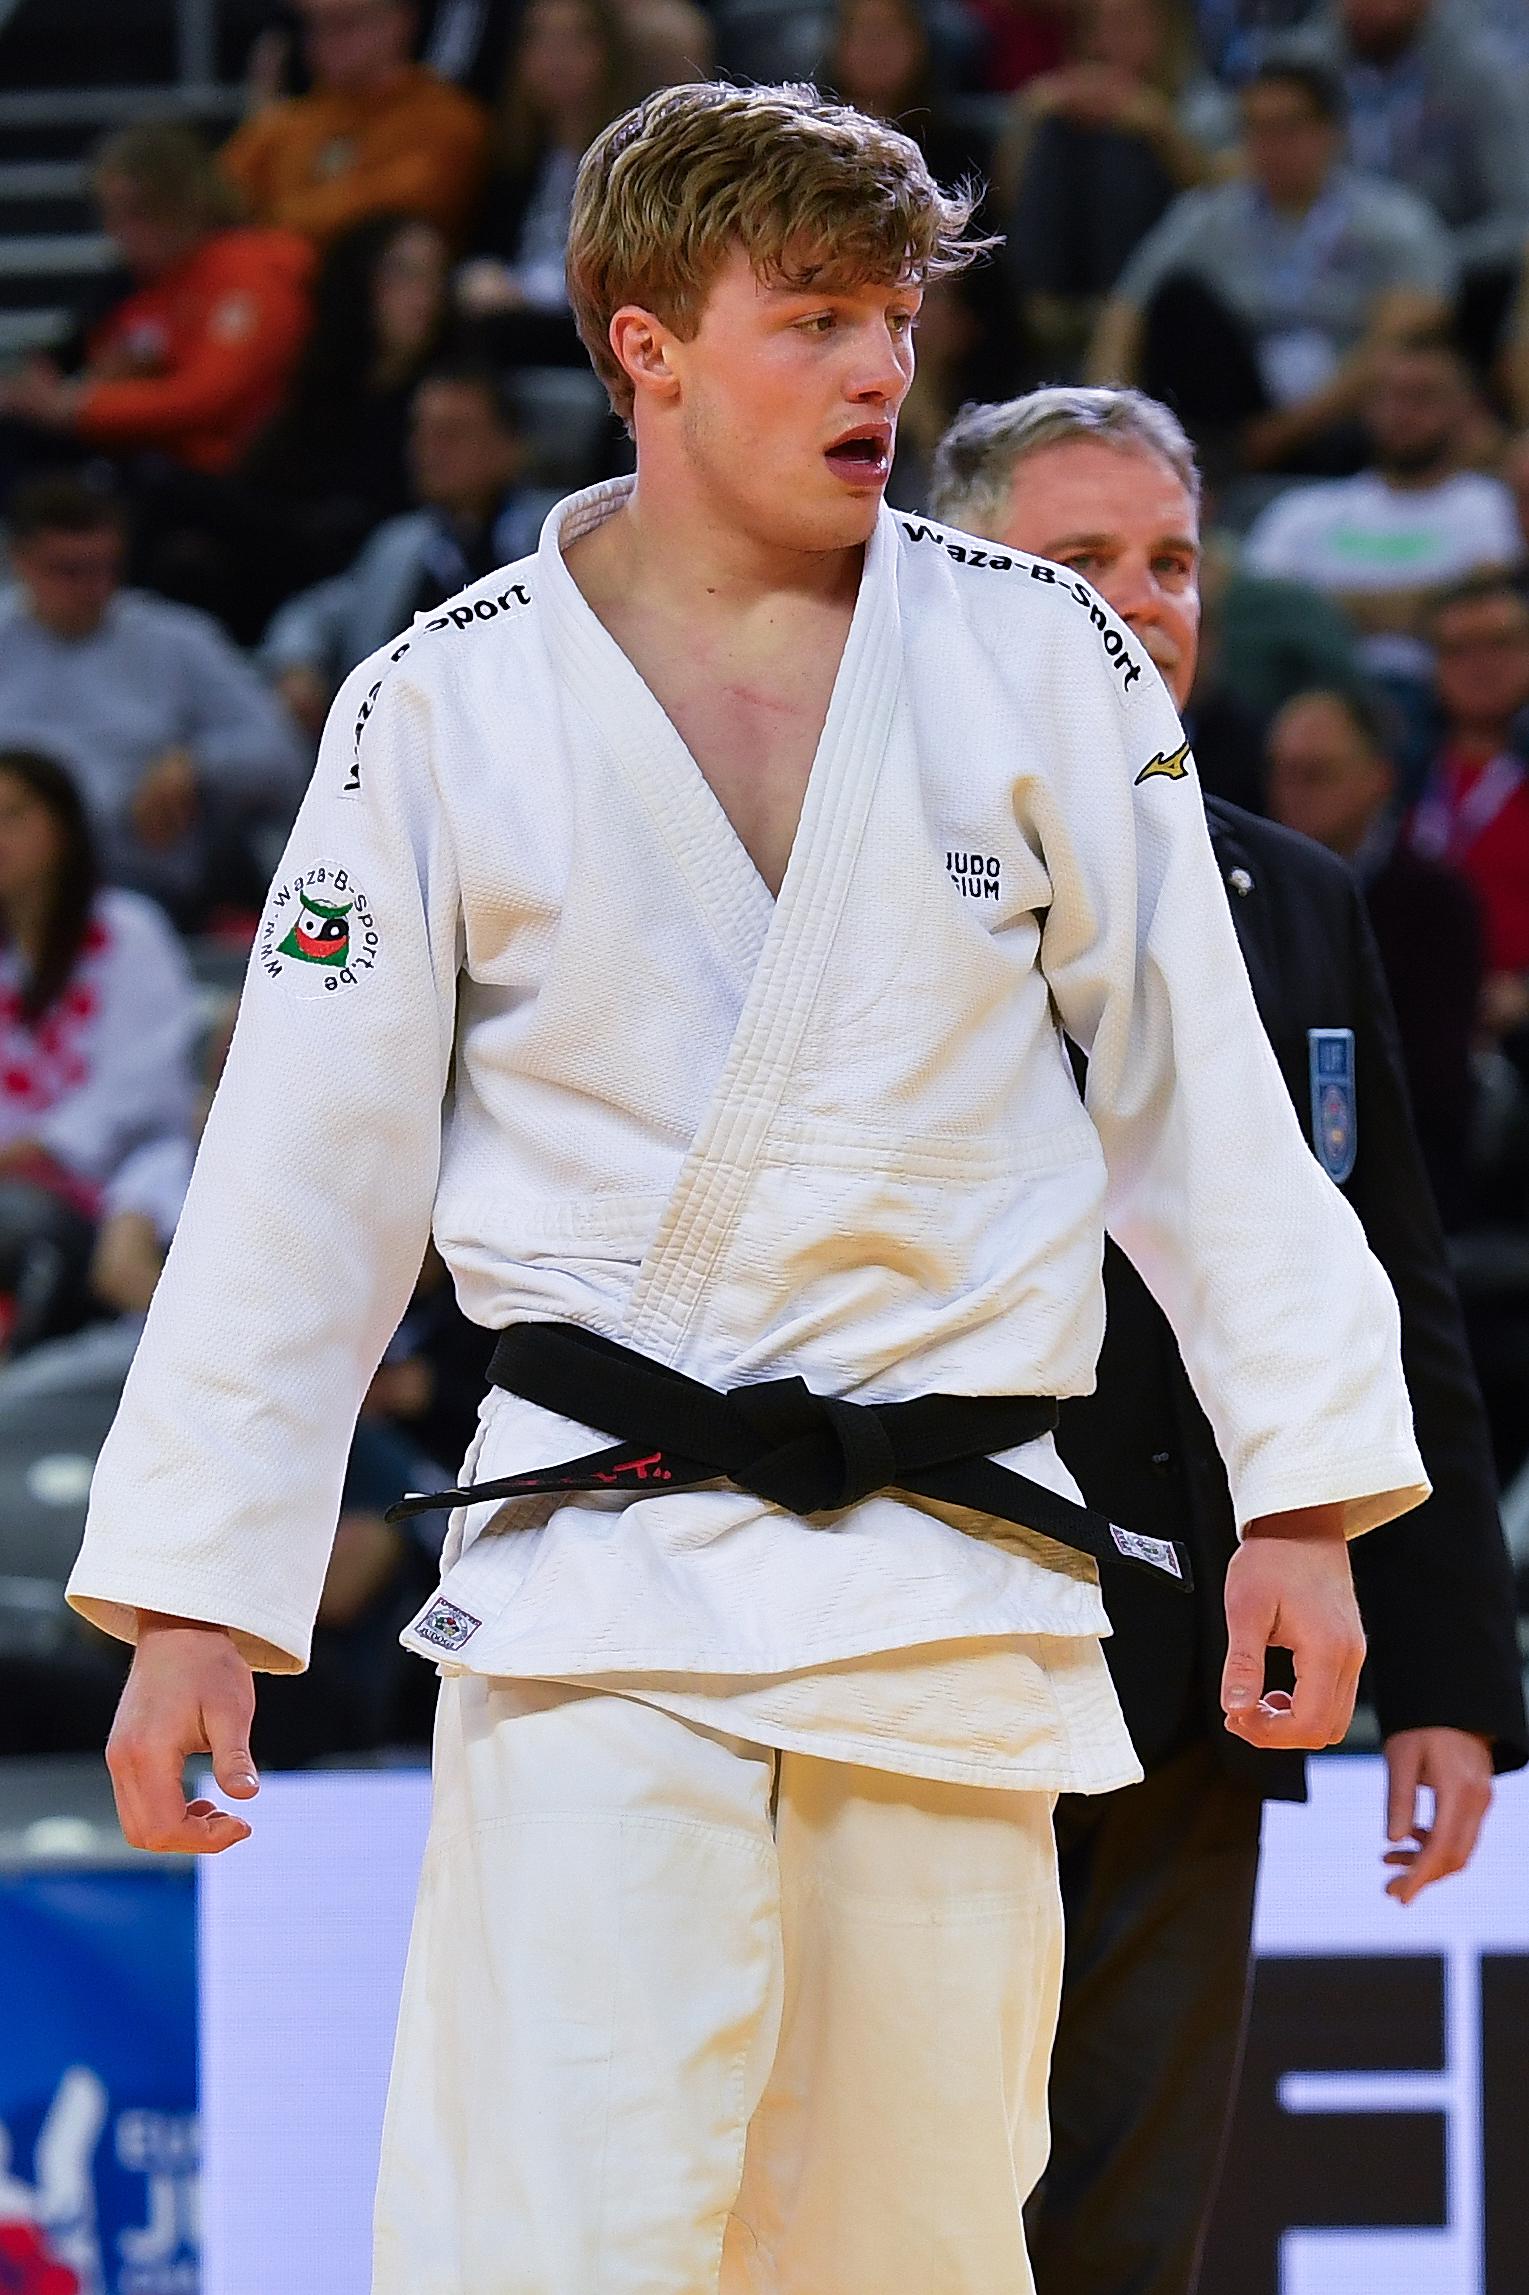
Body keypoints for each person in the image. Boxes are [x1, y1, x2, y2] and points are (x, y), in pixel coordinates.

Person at [74, 86, 1427, 2295]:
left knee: (905, 2230)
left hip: (954, 1561)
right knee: (567, 2219)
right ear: (645, 345)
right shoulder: (445, 703)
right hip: (604, 1554)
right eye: (810, 319)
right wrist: (199, 1594)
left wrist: (1296, 1493)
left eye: (892, 318)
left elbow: (1198, 1104)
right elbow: (302, 1170)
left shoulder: (1032, 656)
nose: (879, 370)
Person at [927, 383, 1524, 2295]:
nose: (1136, 599)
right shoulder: (847, 882)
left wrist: (1446, 1667)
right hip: (917, 1651)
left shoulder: (1290, 893)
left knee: (1128, 2223)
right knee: (898, 2210)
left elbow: (1380, 1295)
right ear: (951, 588)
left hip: (1202, 1673)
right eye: (1074, 559)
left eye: (1166, 560)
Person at [1087, 60, 1454, 474]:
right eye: (1256, 129)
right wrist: (1107, 419)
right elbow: (1126, 308)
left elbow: (1406, 333)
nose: (1271, 145)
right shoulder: (1208, 215)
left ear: (1331, 133)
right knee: (1179, 300)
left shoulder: (1392, 221)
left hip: (1338, 412)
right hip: (1238, 399)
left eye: (1288, 128)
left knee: (1404, 370)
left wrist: (1285, 431)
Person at [0, 478, 306, 929]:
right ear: (20, 562)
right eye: (69, 570)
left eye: (106, 568)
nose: (93, 587)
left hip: (149, 896)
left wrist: (197, 765)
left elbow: (286, 758)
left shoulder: (178, 640)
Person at [0, 749, 198, 1356]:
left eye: (12, 817)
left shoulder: (129, 931)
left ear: (62, 826)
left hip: (120, 1183)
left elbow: (157, 1078)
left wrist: (45, 1143)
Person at [1266, 684, 1484, 1224]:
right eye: (1281, 771)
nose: (1291, 792)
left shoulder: (1435, 901)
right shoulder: (1242, 891)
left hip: (1401, 1191)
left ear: (1378, 779)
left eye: (1316, 774)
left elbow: (1433, 1089)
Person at [0, 121, 313, 479]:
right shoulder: (148, 284)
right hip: (159, 454)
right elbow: (112, 363)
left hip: (231, 466)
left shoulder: (249, 269)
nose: (119, 232)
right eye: (110, 213)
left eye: (137, 213)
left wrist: (80, 406)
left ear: (185, 203)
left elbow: (210, 396)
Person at [261, 364, 549, 731]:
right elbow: (320, 611)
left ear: (511, 447)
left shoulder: (558, 534)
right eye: (421, 432)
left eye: (452, 434)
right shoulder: (399, 543)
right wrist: (297, 663)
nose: (429, 450)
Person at [1243, 336, 1519, 670]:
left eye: (1422, 397)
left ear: (1465, 409)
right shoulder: (1302, 512)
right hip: (1316, 686)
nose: (1402, 413)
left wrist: (1321, 607)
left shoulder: (1490, 504)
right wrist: (1420, 606)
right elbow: (1255, 613)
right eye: (1387, 396)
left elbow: (1481, 613)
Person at [239, 211, 452, 597]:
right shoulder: (324, 379)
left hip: (378, 572)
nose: (424, 293)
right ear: (362, 280)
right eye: (404, 273)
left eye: (435, 275)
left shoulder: (447, 393)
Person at [222, 0, 491, 249]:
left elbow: (386, 216)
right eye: (315, 26)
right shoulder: (289, 121)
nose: (325, 42)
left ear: (399, 23)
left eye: (345, 24)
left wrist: (270, 223)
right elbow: (213, 196)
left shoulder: (444, 120)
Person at [454, 0, 637, 365]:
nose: (557, 58)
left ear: (609, 52)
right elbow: (486, 252)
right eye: (541, 41)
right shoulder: (513, 156)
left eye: (574, 40)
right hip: (509, 326)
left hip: (590, 337)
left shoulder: (633, 160)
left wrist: (524, 294)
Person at [1406, 573, 1529, 1043]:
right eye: (1458, 650)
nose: (1480, 666)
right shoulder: (1395, 776)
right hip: (1420, 1023)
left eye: (1500, 645)